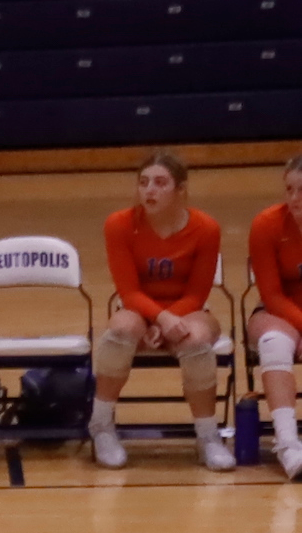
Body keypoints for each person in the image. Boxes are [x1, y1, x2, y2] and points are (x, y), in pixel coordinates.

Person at [88, 151, 232, 471]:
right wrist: (160, 319)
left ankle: (208, 437)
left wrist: (168, 321)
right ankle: (101, 427)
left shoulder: (206, 228)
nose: (149, 190)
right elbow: (128, 292)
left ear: (180, 189)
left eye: (160, 183)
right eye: (143, 182)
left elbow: (197, 293)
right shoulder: (120, 224)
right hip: (139, 310)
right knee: (120, 330)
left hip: (188, 309)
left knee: (196, 340)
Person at [248, 152, 302, 480]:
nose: (294, 198)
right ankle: (288, 444)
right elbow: (271, 295)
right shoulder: (267, 224)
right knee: (274, 342)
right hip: (277, 311)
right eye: (289, 190)